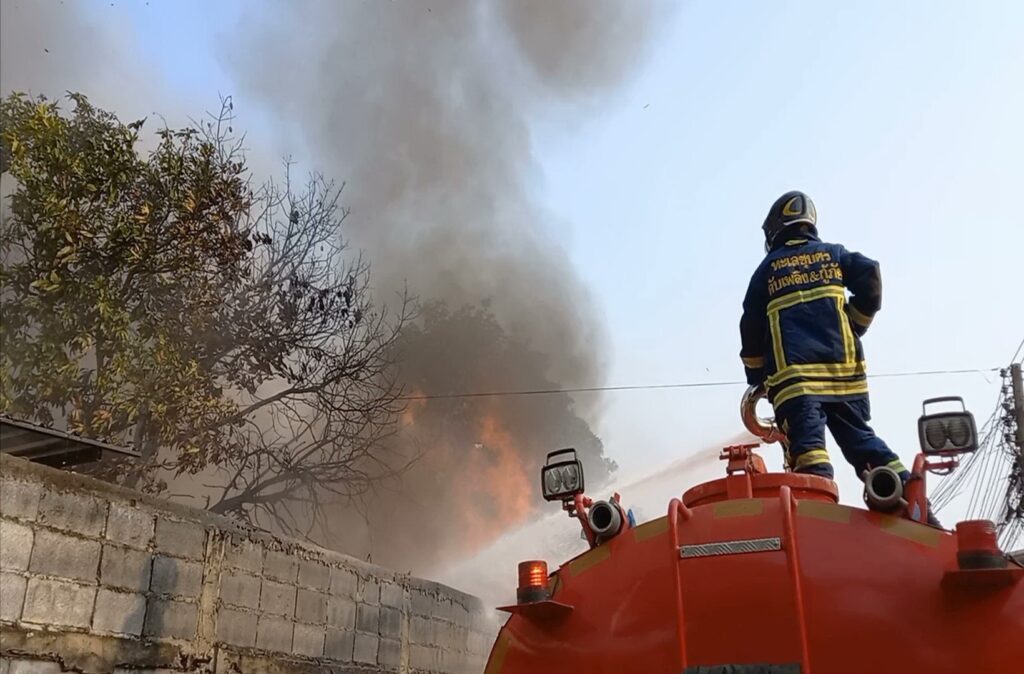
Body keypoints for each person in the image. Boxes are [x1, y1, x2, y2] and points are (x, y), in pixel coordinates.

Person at [738, 190, 908, 485]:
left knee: (809, 449)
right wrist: (855, 324)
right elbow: (870, 275)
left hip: (798, 384)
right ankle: (903, 487)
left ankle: (814, 495)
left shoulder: (767, 270)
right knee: (861, 440)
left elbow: (750, 327)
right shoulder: (834, 255)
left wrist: (756, 377)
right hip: (845, 378)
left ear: (774, 229)